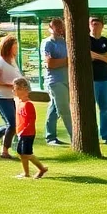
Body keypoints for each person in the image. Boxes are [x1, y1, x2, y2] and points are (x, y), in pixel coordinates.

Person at [41, 17, 72, 146]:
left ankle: (50, 136)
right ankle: (74, 136)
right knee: (64, 109)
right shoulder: (47, 43)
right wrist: (68, 60)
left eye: (61, 26)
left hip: (66, 79)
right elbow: (50, 63)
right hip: (54, 80)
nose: (59, 28)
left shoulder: (65, 42)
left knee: (54, 108)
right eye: (56, 26)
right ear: (50, 28)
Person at [12, 77, 48, 179]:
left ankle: (41, 168)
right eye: (15, 89)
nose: (15, 91)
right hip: (21, 133)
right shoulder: (19, 103)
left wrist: (23, 131)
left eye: (18, 89)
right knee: (21, 153)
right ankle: (26, 173)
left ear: (26, 90)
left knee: (27, 154)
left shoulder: (28, 105)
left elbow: (31, 121)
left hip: (27, 134)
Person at [89, 17, 107, 145]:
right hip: (91, 79)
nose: (95, 26)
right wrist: (103, 56)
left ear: (102, 26)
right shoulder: (86, 40)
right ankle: (91, 135)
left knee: (106, 107)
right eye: (93, 24)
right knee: (90, 108)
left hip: (104, 79)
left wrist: (95, 56)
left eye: (97, 24)